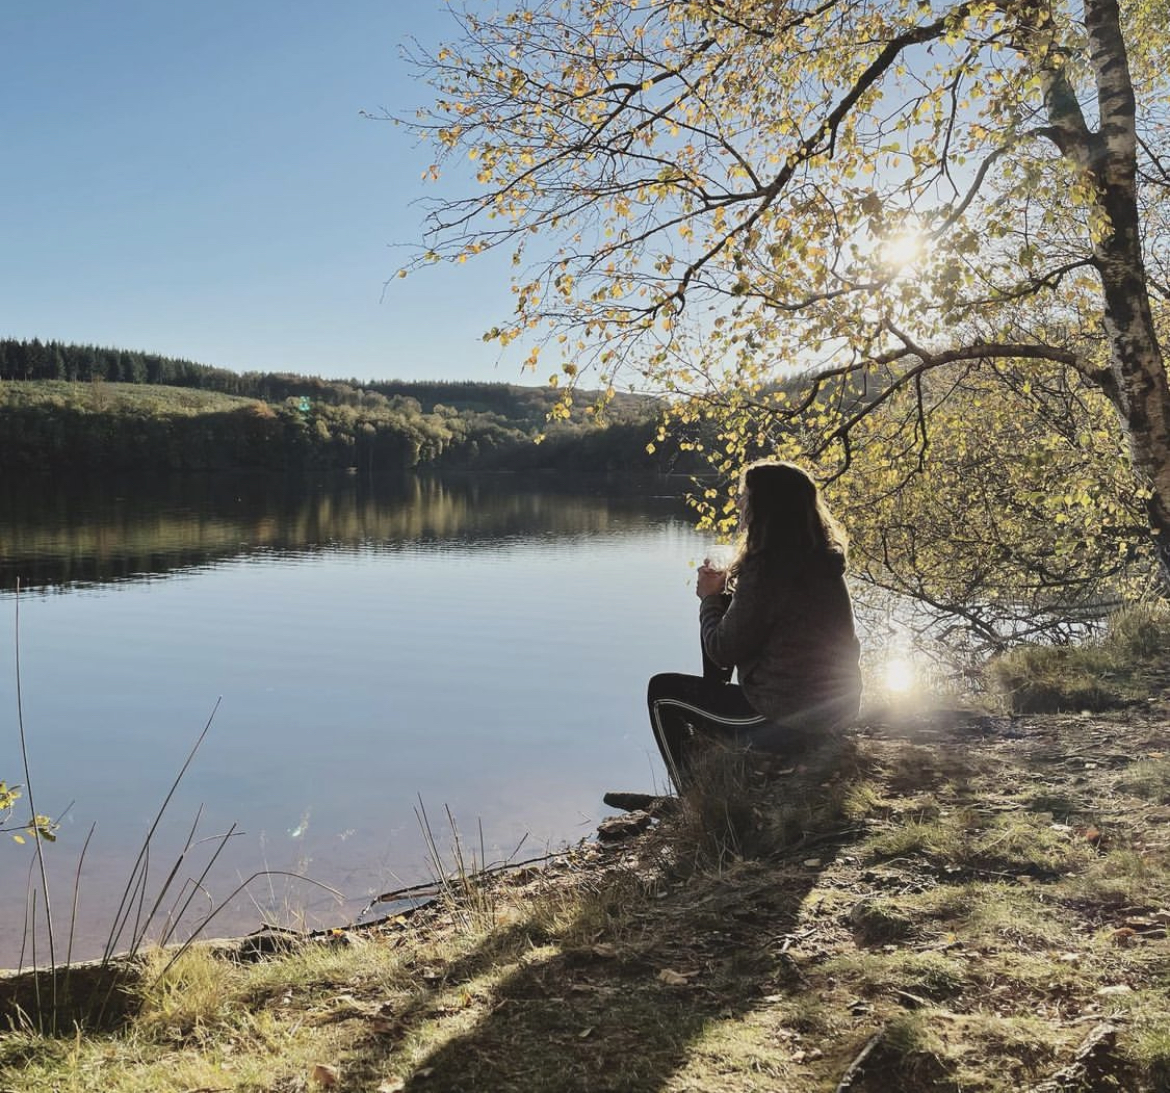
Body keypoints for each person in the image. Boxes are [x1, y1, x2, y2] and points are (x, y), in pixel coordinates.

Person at [647, 460, 862, 791]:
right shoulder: (819, 561)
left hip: (788, 719)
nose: (739, 503)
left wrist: (709, 598)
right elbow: (755, 629)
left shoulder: (767, 571)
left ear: (765, 507)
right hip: (834, 711)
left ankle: (690, 798)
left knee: (662, 693)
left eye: (744, 496)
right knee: (721, 633)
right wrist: (728, 596)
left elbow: (722, 651)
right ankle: (722, 768)